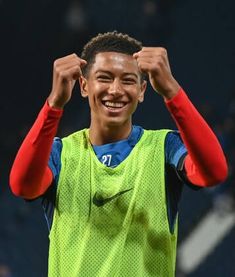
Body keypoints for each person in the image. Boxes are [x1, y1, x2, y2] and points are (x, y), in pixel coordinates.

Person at [9, 31, 228, 277]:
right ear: (83, 85)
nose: (115, 90)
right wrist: (54, 104)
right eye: (104, 78)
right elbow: (22, 186)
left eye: (128, 80)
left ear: (142, 90)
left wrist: (171, 91)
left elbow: (214, 173)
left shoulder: (165, 147)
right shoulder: (60, 154)